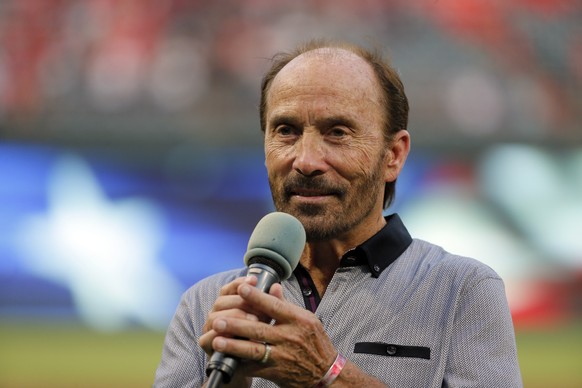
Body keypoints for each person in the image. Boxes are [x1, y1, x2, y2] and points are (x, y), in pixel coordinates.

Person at [154, 39, 522, 387]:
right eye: (286, 131)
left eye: (338, 132)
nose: (307, 161)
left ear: (393, 155)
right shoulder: (205, 306)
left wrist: (327, 373)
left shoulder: (463, 292)